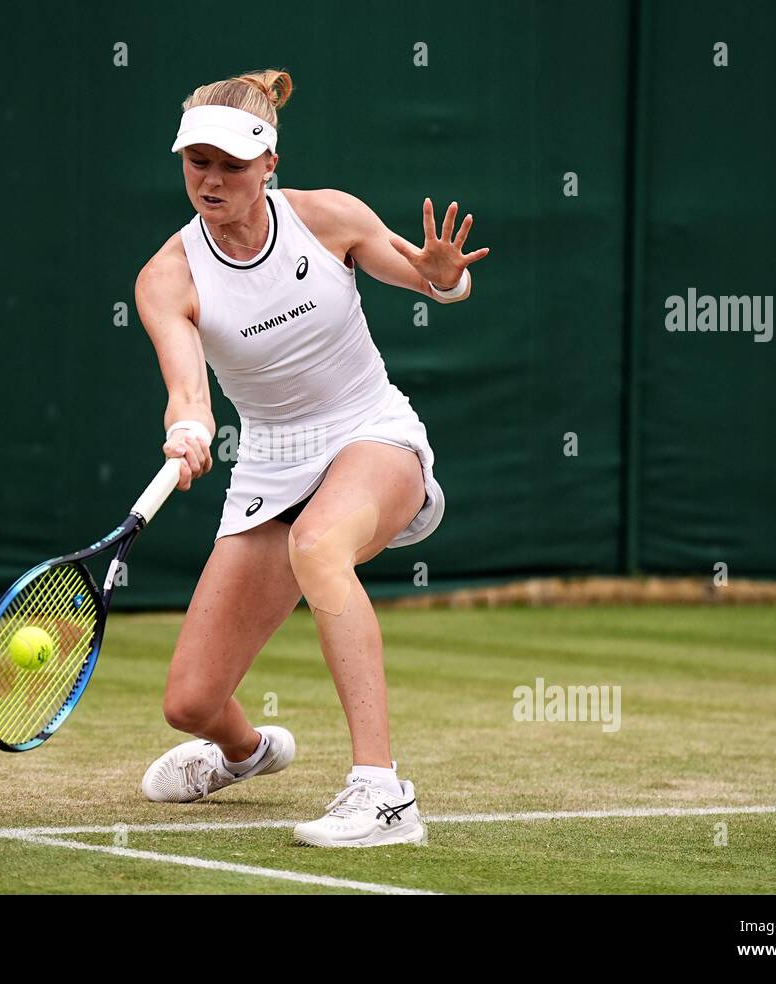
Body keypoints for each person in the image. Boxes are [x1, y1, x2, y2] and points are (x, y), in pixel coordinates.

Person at [133, 68, 488, 847]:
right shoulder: (167, 276)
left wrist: (443, 279)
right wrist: (189, 429)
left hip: (371, 432)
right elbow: (187, 387)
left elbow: (425, 277)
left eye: (231, 164)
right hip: (268, 462)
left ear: (269, 164)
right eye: (198, 162)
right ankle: (247, 752)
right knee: (190, 703)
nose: (212, 179)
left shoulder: (330, 218)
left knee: (320, 545)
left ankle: (383, 796)